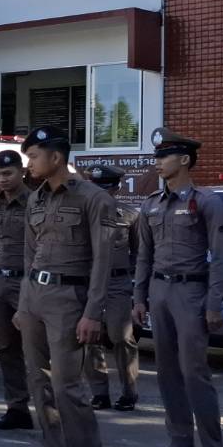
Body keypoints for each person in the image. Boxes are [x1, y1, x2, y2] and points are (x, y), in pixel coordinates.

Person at [14, 125, 115, 447]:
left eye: (33, 156)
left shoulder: (93, 198)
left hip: (70, 299)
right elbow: (29, 255)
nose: (29, 164)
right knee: (40, 386)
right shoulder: (36, 199)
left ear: (56, 157)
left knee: (69, 390)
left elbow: (103, 262)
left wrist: (93, 313)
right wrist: (24, 304)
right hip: (36, 298)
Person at [133, 128, 223, 447]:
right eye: (156, 157)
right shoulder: (151, 203)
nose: (157, 162)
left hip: (191, 292)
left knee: (194, 372)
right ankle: (180, 443)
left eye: (164, 156)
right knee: (167, 372)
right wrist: (139, 297)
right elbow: (144, 255)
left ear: (184, 160)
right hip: (159, 291)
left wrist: (214, 303)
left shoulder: (206, 202)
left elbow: (220, 257)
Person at [83, 164, 140, 411]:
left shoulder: (130, 215)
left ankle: (129, 392)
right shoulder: (81, 214)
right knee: (89, 337)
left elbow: (139, 253)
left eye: (105, 189)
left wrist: (135, 284)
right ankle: (99, 393)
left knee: (121, 336)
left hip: (117, 282)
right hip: (86, 281)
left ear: (116, 189)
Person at [0, 149, 33, 430]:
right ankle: (17, 408)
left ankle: (51, 409)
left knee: (37, 349)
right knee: (6, 348)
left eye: (7, 173)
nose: (2, 179)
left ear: (22, 172)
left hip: (28, 282)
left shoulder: (36, 202)